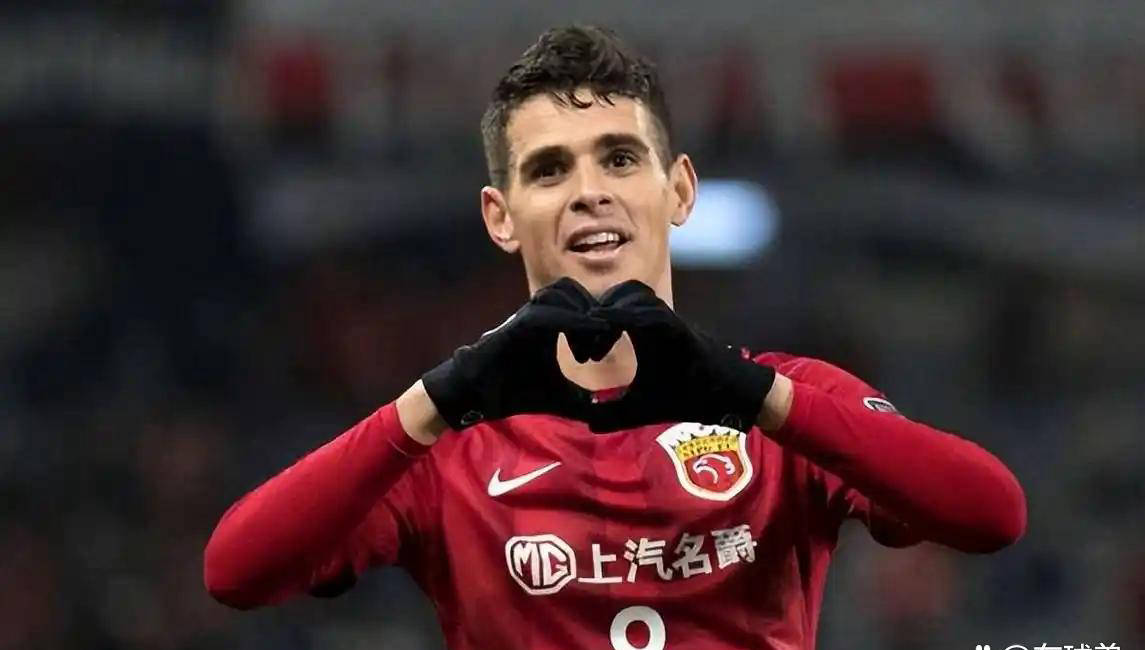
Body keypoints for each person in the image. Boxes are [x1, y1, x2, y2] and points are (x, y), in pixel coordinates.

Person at [203, 25, 1026, 649]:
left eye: (620, 159)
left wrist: (749, 394)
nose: (588, 192)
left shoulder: (786, 400)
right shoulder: (447, 442)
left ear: (678, 190)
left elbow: (991, 513)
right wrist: (441, 395)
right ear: (500, 217)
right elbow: (235, 572)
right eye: (549, 169)